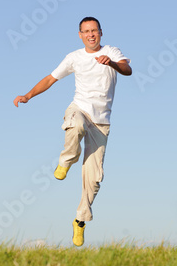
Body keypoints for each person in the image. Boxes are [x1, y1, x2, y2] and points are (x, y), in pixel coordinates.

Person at [13, 17, 132, 246]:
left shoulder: (111, 51)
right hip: (80, 109)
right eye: (86, 31)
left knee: (94, 178)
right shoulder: (74, 57)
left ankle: (79, 220)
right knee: (75, 124)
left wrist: (112, 64)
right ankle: (66, 160)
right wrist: (28, 95)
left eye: (94, 31)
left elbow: (127, 69)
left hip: (101, 121)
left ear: (100, 33)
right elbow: (51, 78)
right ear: (80, 34)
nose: (91, 35)